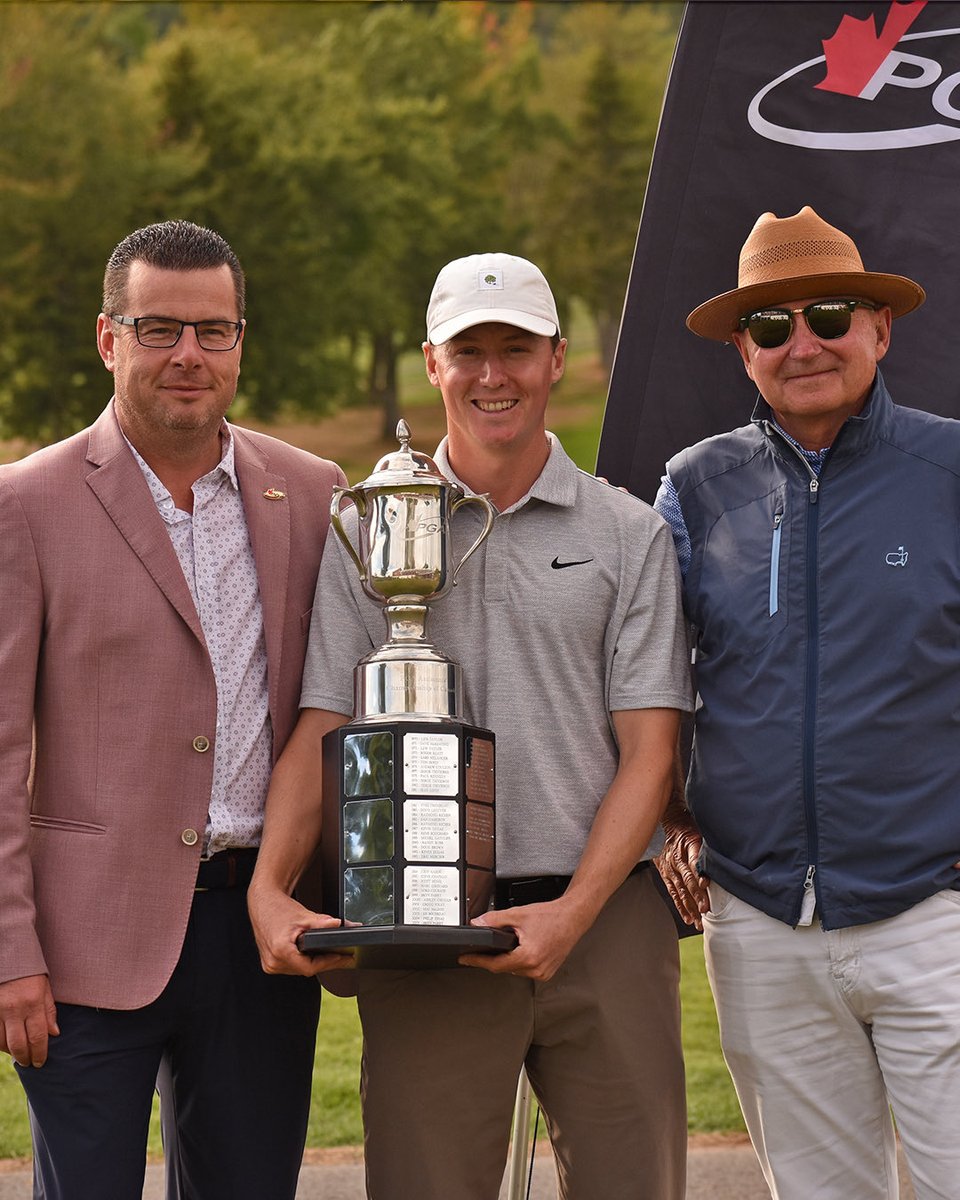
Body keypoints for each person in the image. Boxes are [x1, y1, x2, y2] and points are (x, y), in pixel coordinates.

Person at [247, 252, 694, 1199]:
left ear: (557, 358)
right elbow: (327, 722)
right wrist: (268, 886)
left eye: (517, 349)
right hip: (424, 933)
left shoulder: (628, 534)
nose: (494, 375)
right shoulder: (372, 530)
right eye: (469, 352)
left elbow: (651, 754)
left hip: (606, 923)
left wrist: (574, 913)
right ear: (432, 363)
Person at [0, 218, 352, 1200]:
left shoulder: (315, 495)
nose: (189, 354)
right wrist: (10, 950)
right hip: (84, 947)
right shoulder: (25, 505)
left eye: (213, 330)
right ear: (108, 339)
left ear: (240, 341)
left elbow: (337, 707)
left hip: (259, 932)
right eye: (159, 329)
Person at [654, 205, 960, 1200]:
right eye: (772, 325)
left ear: (880, 328)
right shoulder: (695, 489)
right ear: (743, 350)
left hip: (934, 913)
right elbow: (651, 680)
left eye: (829, 316)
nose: (805, 344)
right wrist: (670, 814)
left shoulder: (951, 471)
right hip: (761, 924)